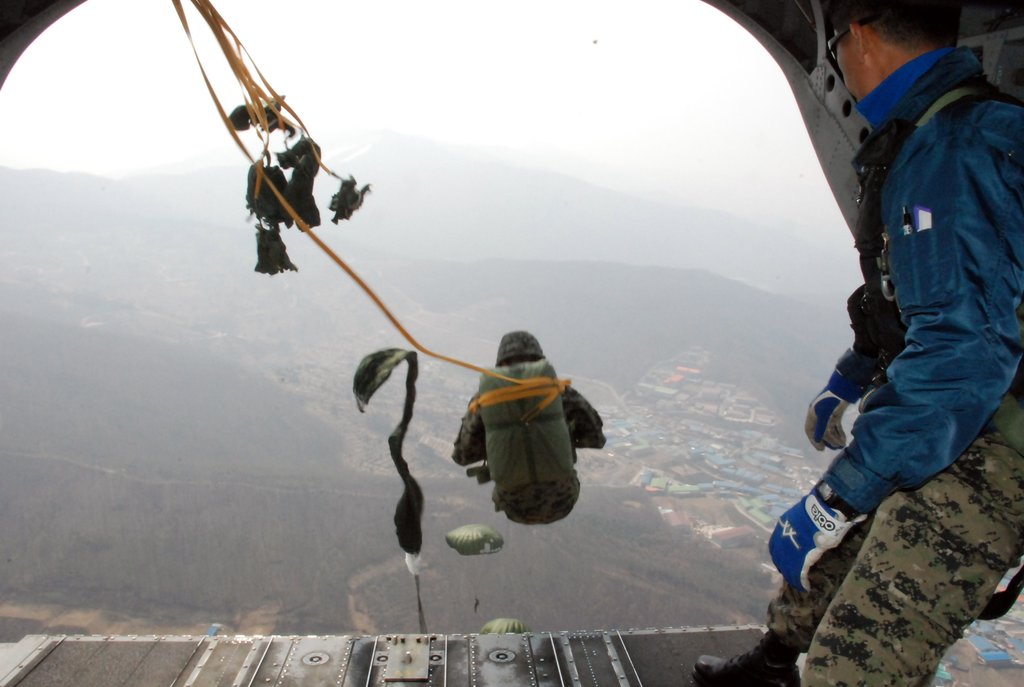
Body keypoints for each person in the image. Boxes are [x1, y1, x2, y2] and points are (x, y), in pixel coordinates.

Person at [693, 2, 1024, 685]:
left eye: (837, 43)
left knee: (857, 661)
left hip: (1001, 437)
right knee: (840, 558)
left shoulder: (958, 148)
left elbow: (963, 355)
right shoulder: (932, 133)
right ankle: (775, 659)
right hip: (970, 415)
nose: (837, 61)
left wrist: (837, 494)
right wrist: (857, 368)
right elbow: (925, 300)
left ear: (863, 37)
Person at [452, 331, 606, 524]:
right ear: (539, 358)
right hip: (563, 500)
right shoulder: (560, 392)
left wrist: (497, 437)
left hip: (513, 506)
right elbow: (596, 440)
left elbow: (462, 456)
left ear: (501, 363)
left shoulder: (485, 399)